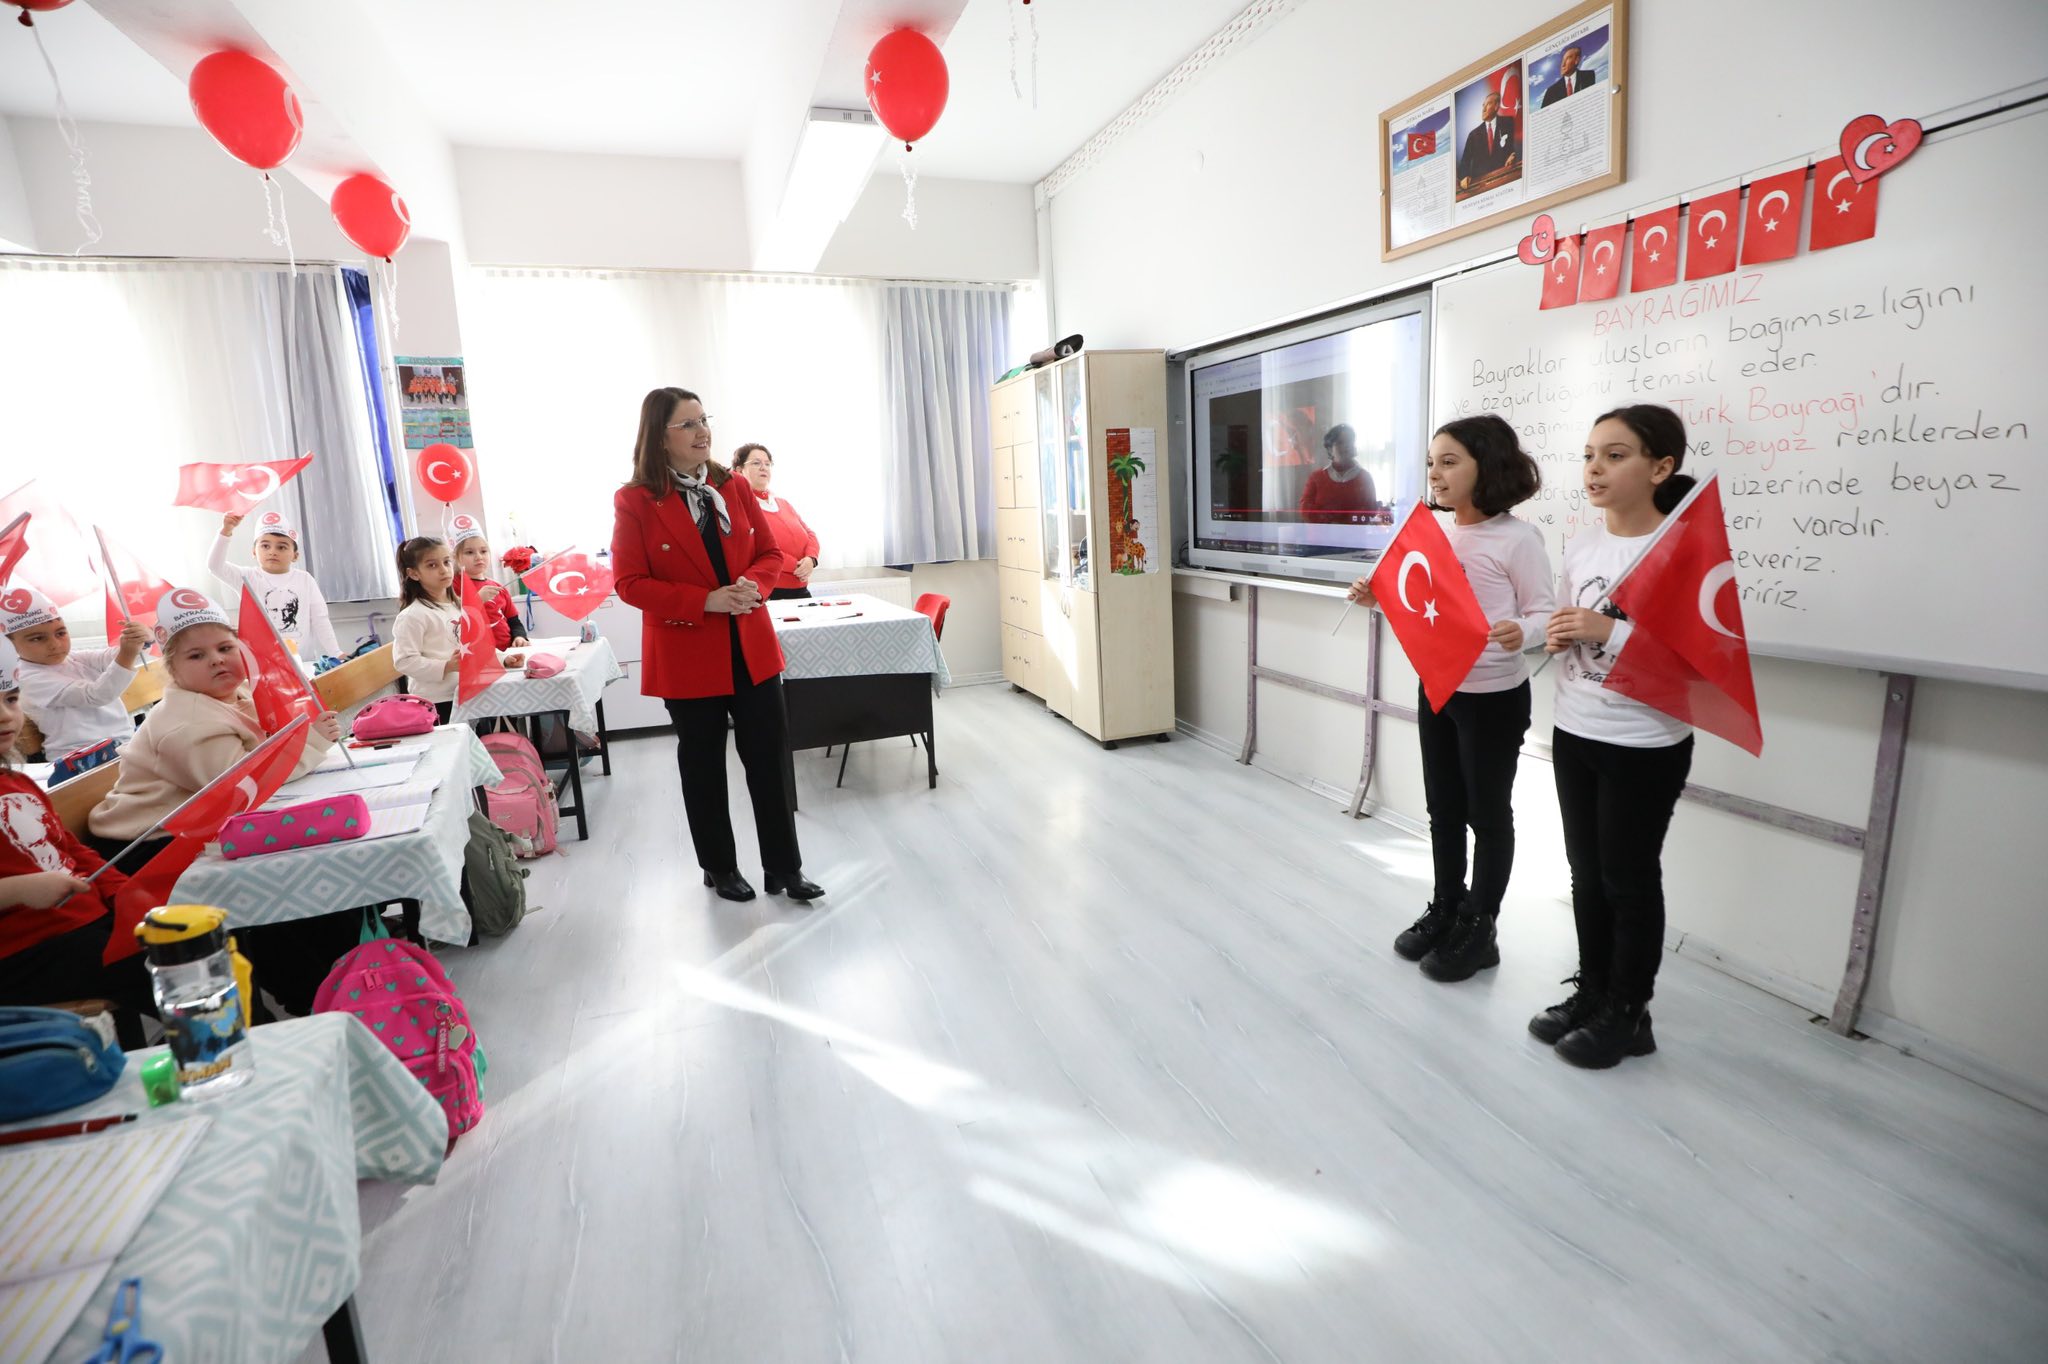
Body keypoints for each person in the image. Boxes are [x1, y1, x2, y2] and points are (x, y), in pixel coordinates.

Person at [1347, 415, 1552, 982]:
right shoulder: (1435, 534)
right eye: (1431, 463)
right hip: (1438, 687)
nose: (1435, 473)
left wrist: (1522, 631)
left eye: (1450, 461)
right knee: (1443, 808)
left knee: (1488, 814)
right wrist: (1378, 598)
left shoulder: (1518, 538)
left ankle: (1480, 926)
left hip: (1493, 696)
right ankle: (1446, 906)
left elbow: (1543, 612)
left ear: (1488, 466)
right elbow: (1425, 606)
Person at [86, 588, 351, 1015]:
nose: (216, 660)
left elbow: (261, 758)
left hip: (194, 830)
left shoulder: (233, 698)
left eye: (226, 648)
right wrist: (313, 743)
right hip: (146, 849)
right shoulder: (185, 721)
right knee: (273, 883)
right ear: (172, 670)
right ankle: (310, 993)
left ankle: (342, 969)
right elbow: (240, 785)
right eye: (196, 655)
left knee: (308, 863)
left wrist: (303, 734)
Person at [611, 387, 824, 904]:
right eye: (687, 424)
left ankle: (784, 868)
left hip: (751, 645)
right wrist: (705, 601)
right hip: (687, 652)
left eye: (704, 419)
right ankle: (720, 866)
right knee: (703, 766)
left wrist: (754, 585)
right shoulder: (636, 499)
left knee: (770, 760)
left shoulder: (733, 486)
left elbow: (769, 553)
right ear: (659, 436)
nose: (702, 430)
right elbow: (629, 583)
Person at [1536, 404, 1698, 1069]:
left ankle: (1630, 1014)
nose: (1594, 468)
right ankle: (1595, 992)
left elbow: (1698, 663)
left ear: (1661, 468)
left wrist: (1610, 631)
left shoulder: (1685, 548)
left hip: (1644, 741)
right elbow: (1566, 618)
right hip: (1575, 726)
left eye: (1615, 455)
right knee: (1586, 875)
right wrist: (1558, 633)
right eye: (1589, 455)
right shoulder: (1583, 546)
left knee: (1628, 880)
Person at [0, 639, 159, 1048]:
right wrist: (20, 889)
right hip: (27, 950)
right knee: (175, 963)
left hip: (85, 923)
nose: (5, 716)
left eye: (11, 699)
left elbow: (70, 850)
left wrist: (124, 892)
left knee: (195, 935)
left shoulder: (15, 782)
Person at [2, 586, 149, 763]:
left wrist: (142, 640)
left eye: (60, 633)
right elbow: (96, 695)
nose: (55, 644)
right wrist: (128, 653)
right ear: (8, 645)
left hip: (119, 746)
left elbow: (109, 657)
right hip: (79, 758)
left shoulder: (71, 658)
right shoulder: (27, 677)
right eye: (37, 638)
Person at [392, 536, 525, 724]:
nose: (443, 570)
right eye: (432, 565)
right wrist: (447, 666)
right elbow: (404, 662)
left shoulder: (458, 607)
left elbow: (475, 644)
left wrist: (503, 659)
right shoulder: (412, 616)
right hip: (437, 702)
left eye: (446, 562)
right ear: (413, 574)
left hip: (467, 693)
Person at [207, 508, 344, 660]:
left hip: (303, 662)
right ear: (254, 552)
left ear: (295, 555)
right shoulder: (246, 577)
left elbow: (320, 619)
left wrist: (336, 653)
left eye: (281, 547)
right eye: (265, 546)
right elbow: (215, 566)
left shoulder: (305, 580)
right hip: (262, 663)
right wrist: (226, 531)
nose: (273, 552)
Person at [732, 443, 821, 601]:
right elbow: (757, 547)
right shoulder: (741, 506)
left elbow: (810, 534)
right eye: (756, 463)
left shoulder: (782, 503)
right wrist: (796, 566)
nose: (763, 468)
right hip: (770, 591)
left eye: (767, 464)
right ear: (739, 470)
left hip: (801, 589)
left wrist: (811, 559)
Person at [450, 514, 530, 649]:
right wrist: (477, 600)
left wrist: (519, 637)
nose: (478, 557)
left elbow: (514, 621)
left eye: (483, 551)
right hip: (478, 654)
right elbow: (452, 620)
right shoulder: (453, 585)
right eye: (469, 552)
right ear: (456, 557)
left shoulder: (498, 587)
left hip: (508, 651)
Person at [1298, 425, 1380, 521]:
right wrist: (1326, 518)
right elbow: (1304, 508)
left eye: (1350, 441)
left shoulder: (1365, 478)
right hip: (1322, 530)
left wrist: (1348, 520)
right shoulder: (1316, 477)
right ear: (1330, 449)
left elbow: (1370, 510)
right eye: (1340, 443)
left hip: (1354, 530)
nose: (1346, 446)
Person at [1458, 89, 1518, 190]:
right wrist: (1464, 176)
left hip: (1505, 180)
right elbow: (1464, 162)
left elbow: (1514, 147)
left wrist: (1513, 155)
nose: (1483, 109)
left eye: (1488, 104)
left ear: (1496, 106)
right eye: (1483, 105)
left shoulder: (1508, 122)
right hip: (1480, 187)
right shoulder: (1473, 135)